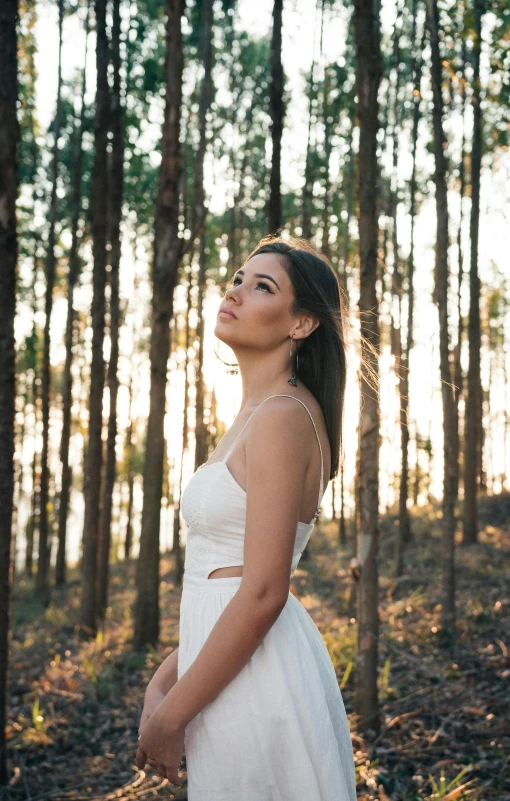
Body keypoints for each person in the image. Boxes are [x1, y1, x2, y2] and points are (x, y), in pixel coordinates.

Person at [136, 235, 357, 800]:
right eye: (238, 277)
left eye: (262, 286)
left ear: (302, 322)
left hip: (259, 681)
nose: (235, 290)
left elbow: (261, 593)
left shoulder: (284, 415)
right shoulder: (259, 413)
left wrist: (171, 717)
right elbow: (224, 587)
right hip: (229, 670)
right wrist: (162, 684)